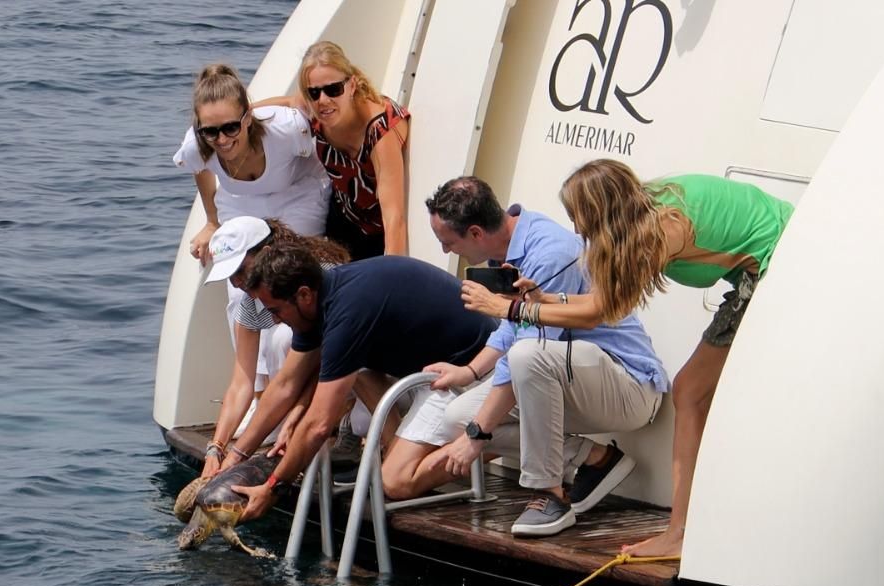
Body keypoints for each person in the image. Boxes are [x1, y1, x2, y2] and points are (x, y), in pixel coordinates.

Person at [464, 159, 792, 557]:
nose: (577, 230)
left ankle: (680, 533)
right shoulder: (647, 208)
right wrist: (546, 299)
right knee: (691, 391)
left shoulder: (661, 231)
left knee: (690, 391)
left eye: (578, 217)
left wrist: (508, 310)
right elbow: (606, 304)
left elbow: (599, 312)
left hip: (782, 261)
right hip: (763, 263)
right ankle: (685, 528)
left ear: (600, 212)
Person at [413, 176, 670, 537]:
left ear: (474, 233)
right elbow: (513, 330)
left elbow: (529, 350)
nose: (445, 252)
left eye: (447, 242)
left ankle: (548, 493)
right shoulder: (511, 248)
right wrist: (469, 372)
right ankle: (595, 459)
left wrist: (476, 437)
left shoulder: (548, 252)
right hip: (572, 377)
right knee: (458, 418)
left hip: (628, 386)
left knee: (517, 371)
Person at [220, 245, 495, 523]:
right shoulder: (321, 298)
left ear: (303, 295)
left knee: (396, 482)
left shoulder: (347, 311)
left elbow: (318, 425)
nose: (274, 319)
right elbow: (284, 386)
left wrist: (273, 487)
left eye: (276, 310)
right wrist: (234, 457)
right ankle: (400, 450)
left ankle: (492, 442)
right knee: (358, 368)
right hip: (426, 369)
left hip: (470, 369)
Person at [198, 216, 350, 478]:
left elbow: (332, 353)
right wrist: (216, 448)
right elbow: (241, 382)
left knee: (283, 338)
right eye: (230, 276)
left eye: (240, 271)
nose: (236, 283)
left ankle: (328, 429)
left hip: (347, 377)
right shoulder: (250, 302)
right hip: (311, 389)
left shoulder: (319, 275)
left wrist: (300, 415)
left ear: (265, 254)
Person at [261, 42, 411, 260]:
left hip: (377, 232)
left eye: (333, 89)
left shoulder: (379, 131)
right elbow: (285, 103)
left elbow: (394, 218)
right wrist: (238, 118)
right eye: (313, 92)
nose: (323, 100)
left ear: (352, 85)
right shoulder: (315, 107)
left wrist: (390, 275)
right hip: (342, 216)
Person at [174, 64, 330, 265]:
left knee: (294, 265)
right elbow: (200, 167)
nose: (222, 140)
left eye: (231, 127)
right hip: (241, 202)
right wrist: (212, 222)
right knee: (241, 283)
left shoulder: (286, 129)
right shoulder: (196, 146)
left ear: (247, 118)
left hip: (298, 193)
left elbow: (301, 103)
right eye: (211, 131)